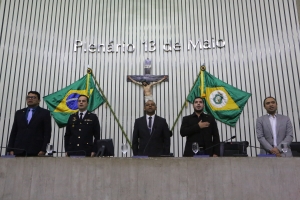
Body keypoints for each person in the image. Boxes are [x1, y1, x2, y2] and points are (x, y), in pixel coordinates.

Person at [7, 91, 52, 156]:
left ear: (39, 100)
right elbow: (14, 131)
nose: (30, 99)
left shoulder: (45, 113)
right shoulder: (19, 113)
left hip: (36, 149)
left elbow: (47, 133)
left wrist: (43, 149)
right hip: (18, 149)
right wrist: (10, 149)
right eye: (28, 97)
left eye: (33, 97)